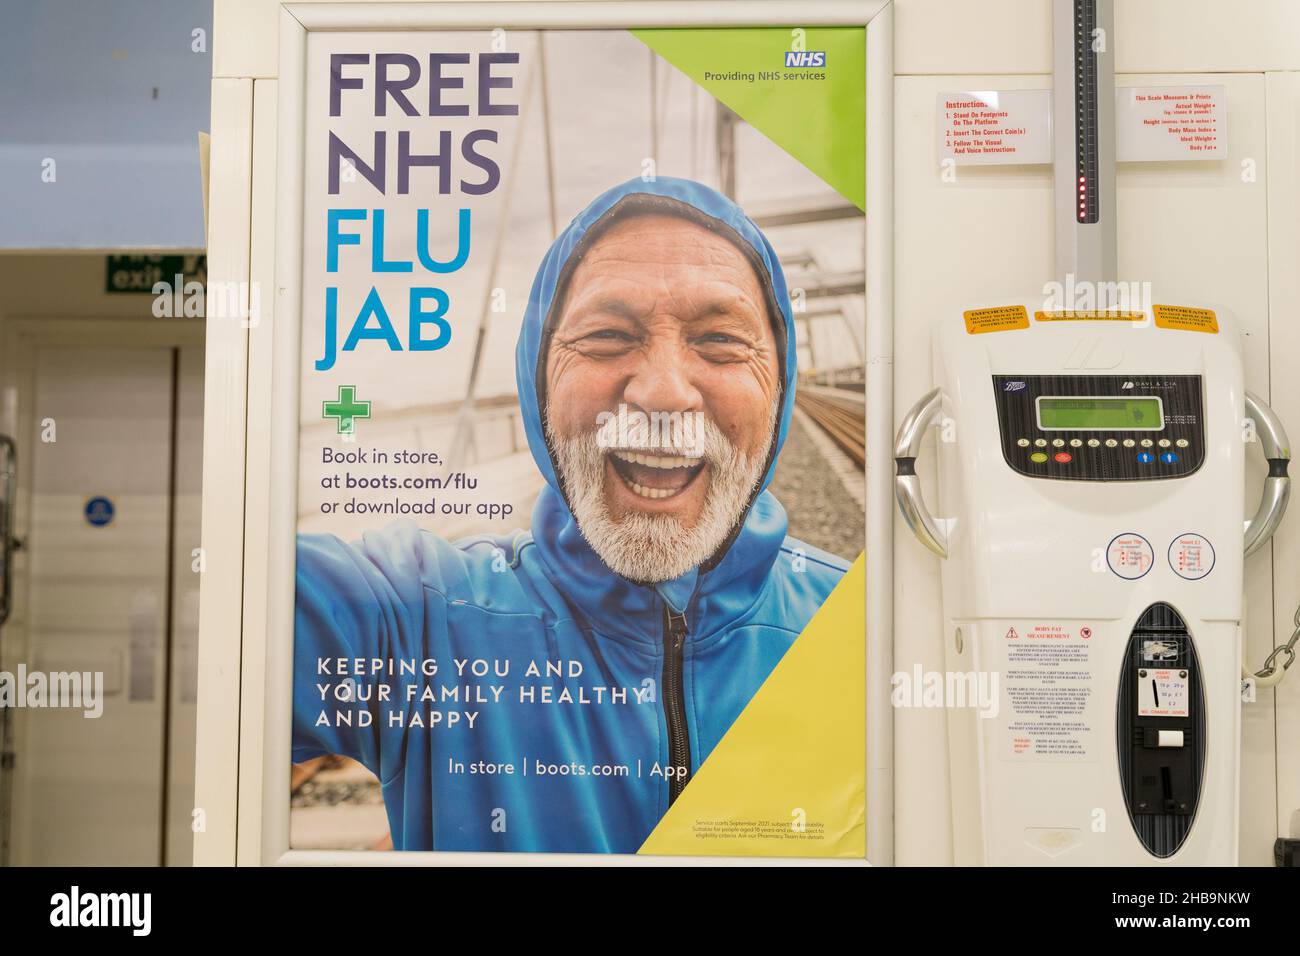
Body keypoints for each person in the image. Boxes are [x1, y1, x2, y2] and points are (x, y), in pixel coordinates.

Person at [293, 177, 848, 852]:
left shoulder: (863, 631)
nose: (664, 394)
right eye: (608, 336)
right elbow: (243, 612)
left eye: (721, 343)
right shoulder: (422, 621)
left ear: (781, 388)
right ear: (538, 382)